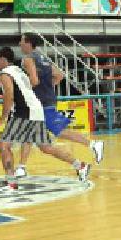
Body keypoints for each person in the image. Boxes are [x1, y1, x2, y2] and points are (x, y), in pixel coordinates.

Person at [0, 47, 94, 188]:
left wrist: (2, 119)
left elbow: (9, 95)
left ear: (3, 59)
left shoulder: (5, 74)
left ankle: (11, 182)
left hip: (25, 112)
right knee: (46, 147)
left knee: (3, 145)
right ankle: (80, 165)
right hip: (36, 110)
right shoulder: (18, 70)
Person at [13, 33, 103, 182]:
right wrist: (47, 88)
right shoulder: (43, 58)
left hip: (39, 103)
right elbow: (59, 75)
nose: (19, 44)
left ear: (28, 43)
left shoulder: (28, 59)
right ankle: (80, 165)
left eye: (21, 41)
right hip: (47, 100)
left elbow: (34, 81)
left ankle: (21, 168)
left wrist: (21, 89)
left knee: (47, 132)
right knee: (45, 146)